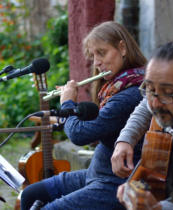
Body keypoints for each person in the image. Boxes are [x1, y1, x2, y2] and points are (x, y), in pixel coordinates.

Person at [20, 21, 147, 210]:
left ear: (122, 48)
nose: (96, 62)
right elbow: (96, 122)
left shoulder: (130, 94)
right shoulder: (114, 87)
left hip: (115, 184)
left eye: (101, 53)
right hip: (96, 173)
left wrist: (68, 104)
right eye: (93, 56)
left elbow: (81, 135)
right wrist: (73, 110)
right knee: (30, 194)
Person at [111, 27, 173, 209]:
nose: (155, 104)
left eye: (168, 93)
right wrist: (125, 139)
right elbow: (146, 106)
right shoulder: (171, 105)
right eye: (150, 89)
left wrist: (159, 208)